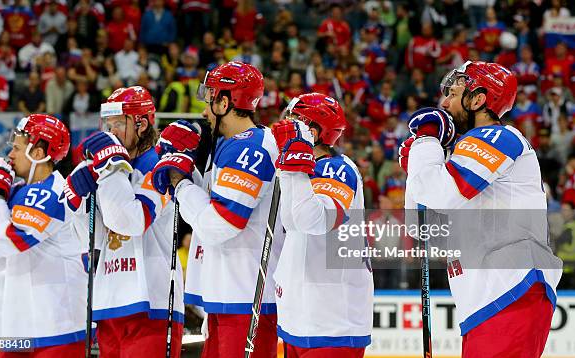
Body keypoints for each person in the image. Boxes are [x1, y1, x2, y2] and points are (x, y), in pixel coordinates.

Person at [401, 61, 563, 357]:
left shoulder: (500, 138)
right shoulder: (464, 156)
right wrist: (419, 167)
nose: (444, 103)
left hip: (511, 291)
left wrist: (425, 144)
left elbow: (441, 194)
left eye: (452, 94)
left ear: (477, 100)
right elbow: (423, 228)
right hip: (485, 301)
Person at [151, 61, 281, 358]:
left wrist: (181, 182)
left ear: (225, 102)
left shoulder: (250, 148)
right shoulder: (228, 144)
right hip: (229, 294)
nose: (204, 109)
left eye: (210, 100)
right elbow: (211, 207)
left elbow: (221, 224)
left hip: (248, 297)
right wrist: (186, 168)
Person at [63, 86, 184, 357]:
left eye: (119, 123)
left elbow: (131, 221)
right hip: (110, 302)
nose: (111, 131)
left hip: (151, 303)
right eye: (109, 124)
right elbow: (89, 239)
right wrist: (82, 203)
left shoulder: (161, 166)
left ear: (141, 123)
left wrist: (108, 168)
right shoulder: (113, 169)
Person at [0, 114, 86, 357]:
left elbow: (4, 244)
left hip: (57, 328)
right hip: (17, 326)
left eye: (18, 149)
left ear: (39, 154)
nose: (10, 155)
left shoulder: (54, 192)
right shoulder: (18, 190)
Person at [270, 93, 373, 357]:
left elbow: (314, 221)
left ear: (313, 132)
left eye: (293, 122)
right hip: (300, 319)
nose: (283, 127)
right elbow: (292, 223)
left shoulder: (337, 169)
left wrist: (295, 165)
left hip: (333, 324)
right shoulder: (304, 170)